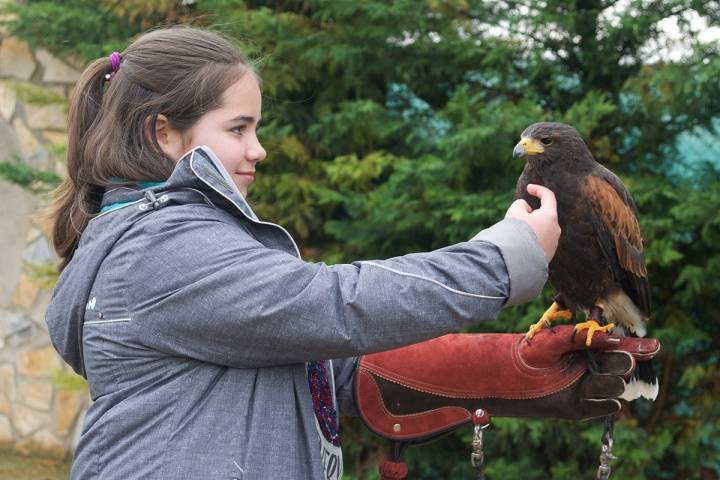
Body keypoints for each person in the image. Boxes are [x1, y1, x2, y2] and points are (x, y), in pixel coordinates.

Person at [45, 26, 649, 480]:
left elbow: (326, 363)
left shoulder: (185, 240)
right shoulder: (161, 250)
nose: (258, 150)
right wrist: (505, 255)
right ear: (162, 133)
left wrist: (503, 369)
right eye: (238, 129)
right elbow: (336, 305)